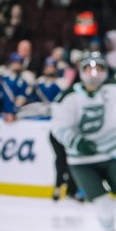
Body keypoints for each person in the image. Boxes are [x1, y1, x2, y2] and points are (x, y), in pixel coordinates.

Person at [51, 53, 116, 231]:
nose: (94, 74)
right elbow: (58, 127)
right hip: (82, 162)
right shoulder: (68, 97)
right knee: (105, 207)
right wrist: (77, 142)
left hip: (112, 155)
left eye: (99, 68)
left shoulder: (114, 89)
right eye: (89, 69)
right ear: (81, 72)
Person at [36, 57, 80, 201]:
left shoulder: (69, 91)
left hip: (70, 132)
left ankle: (71, 190)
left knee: (72, 160)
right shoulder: (64, 95)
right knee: (61, 160)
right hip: (57, 133)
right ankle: (59, 186)